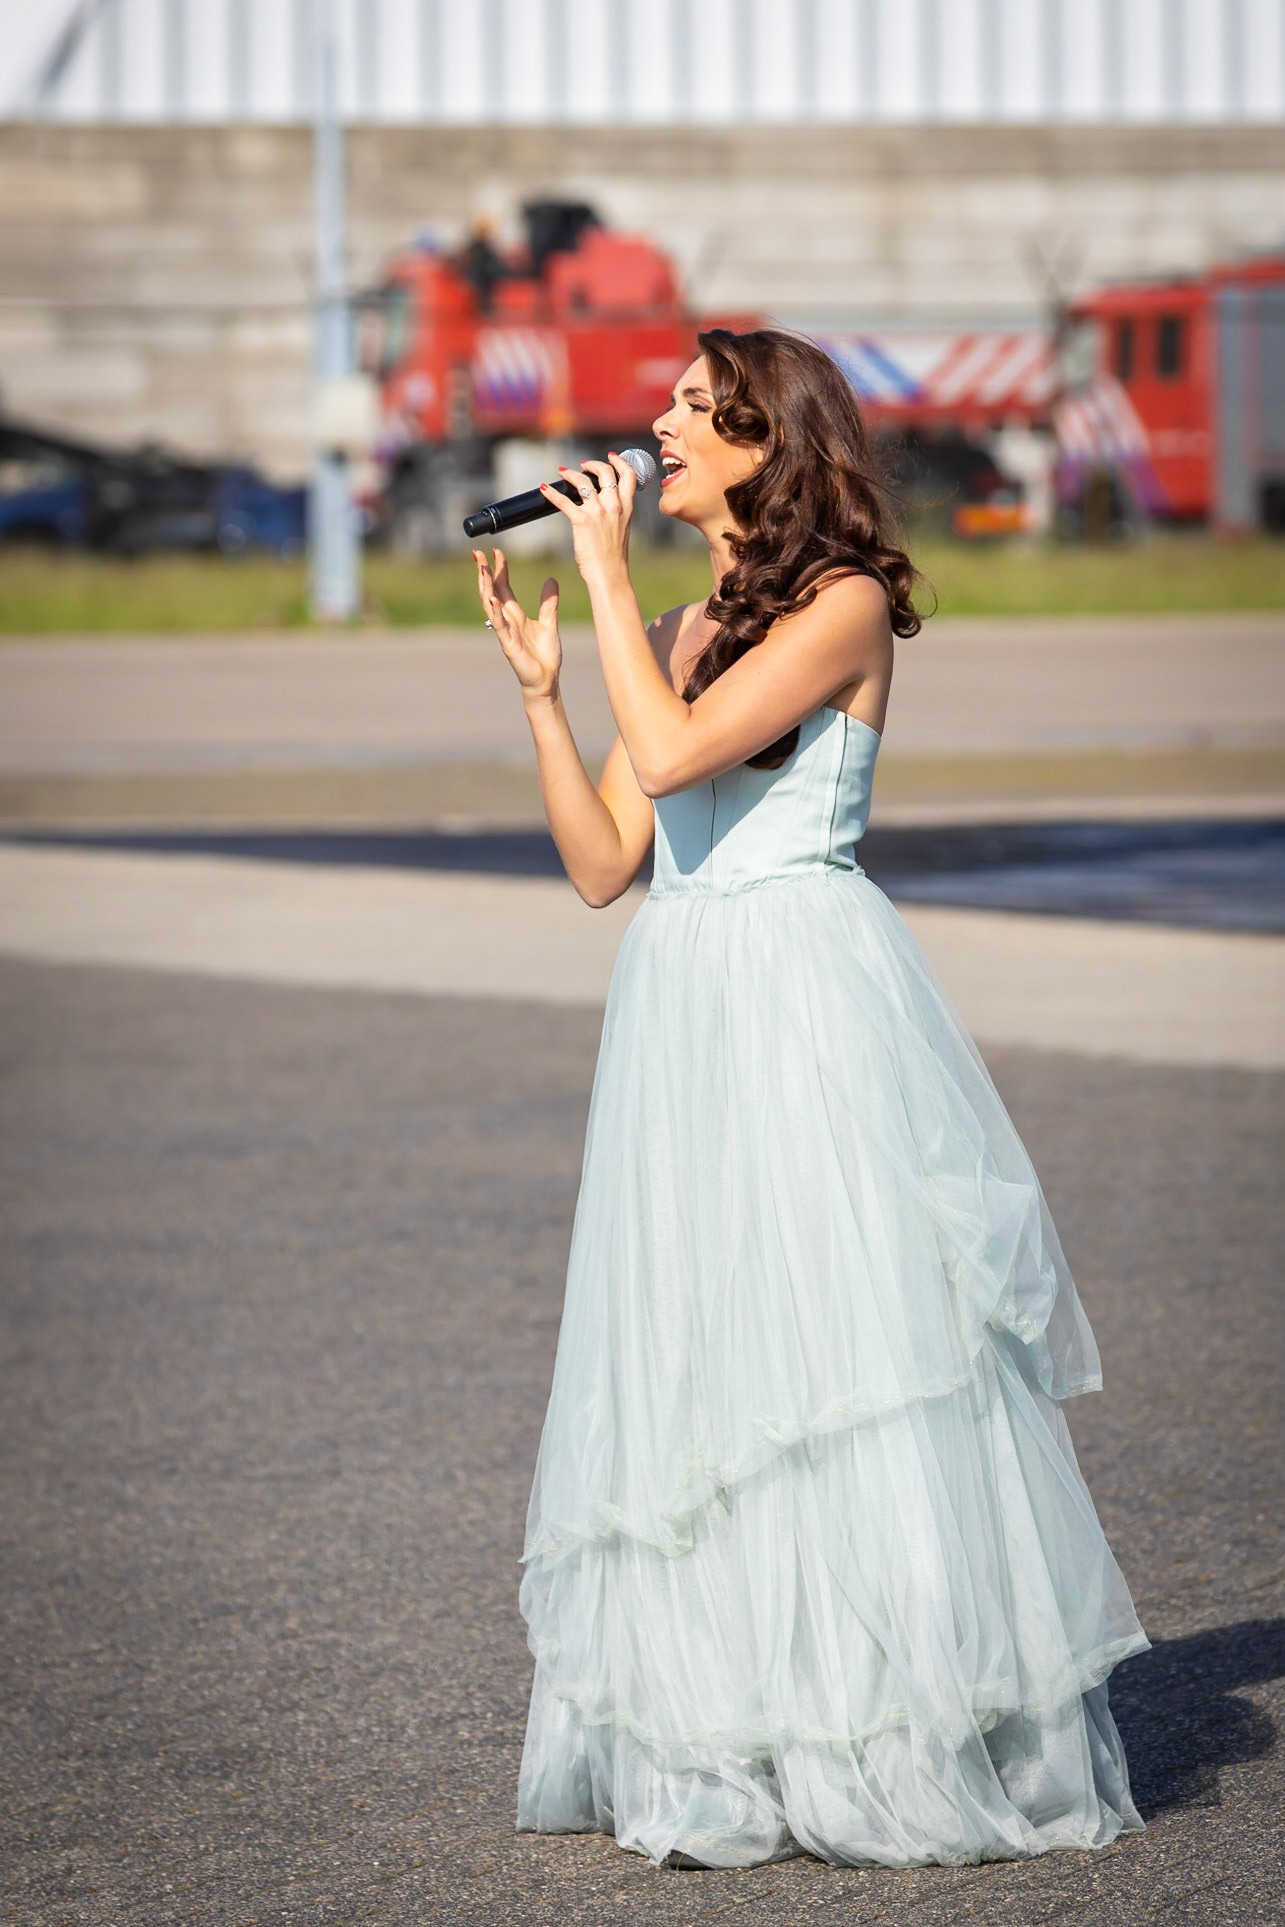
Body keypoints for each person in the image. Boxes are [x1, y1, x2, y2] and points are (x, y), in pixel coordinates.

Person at [471, 327, 1149, 1872]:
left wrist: (607, 583)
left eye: (687, 412)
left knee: (837, 1340)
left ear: (760, 444)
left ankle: (883, 1723)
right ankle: (738, 1722)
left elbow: (677, 756)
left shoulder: (839, 606)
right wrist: (543, 697)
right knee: (709, 1352)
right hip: (682, 1000)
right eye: (661, 409)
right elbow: (604, 864)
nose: (653, 430)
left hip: (802, 990)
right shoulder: (678, 624)